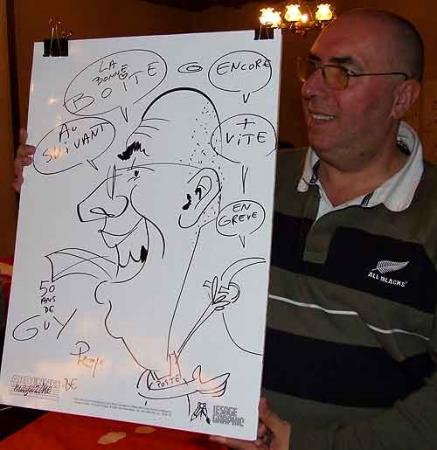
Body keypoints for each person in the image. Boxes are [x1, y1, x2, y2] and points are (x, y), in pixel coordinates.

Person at [13, 8, 437, 450]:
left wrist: (301, 444)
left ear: (402, 97)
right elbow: (140, 248)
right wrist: (51, 187)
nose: (311, 88)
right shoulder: (250, 177)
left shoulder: (429, 218)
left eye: (342, 73)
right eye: (313, 67)